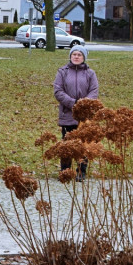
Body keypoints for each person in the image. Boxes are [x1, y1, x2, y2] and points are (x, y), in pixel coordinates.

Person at [53, 45, 99, 181]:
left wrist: (83, 105)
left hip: (84, 117)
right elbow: (58, 91)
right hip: (67, 114)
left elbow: (94, 91)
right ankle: (65, 172)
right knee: (67, 144)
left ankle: (81, 172)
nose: (76, 57)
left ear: (84, 57)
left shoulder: (90, 73)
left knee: (83, 145)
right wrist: (73, 103)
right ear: (70, 56)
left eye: (79, 55)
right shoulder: (62, 72)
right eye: (74, 54)